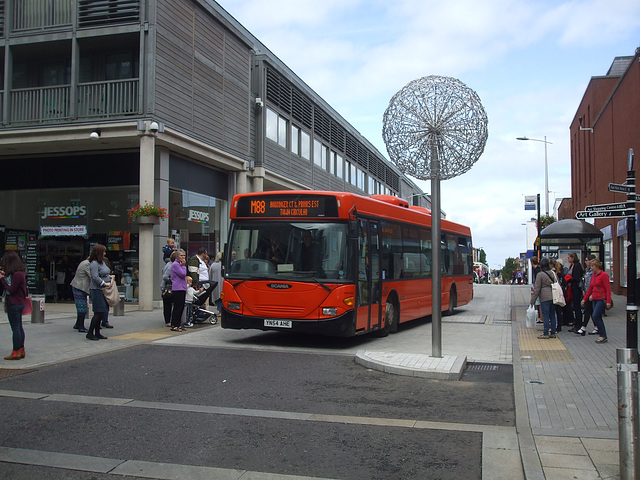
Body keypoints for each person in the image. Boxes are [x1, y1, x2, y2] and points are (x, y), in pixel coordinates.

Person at [0, 251, 28, 360]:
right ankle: (21, 349)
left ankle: (16, 351)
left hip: (14, 302)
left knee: (15, 327)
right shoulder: (20, 272)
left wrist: (2, 279)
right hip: (19, 302)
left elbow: (11, 289)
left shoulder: (16, 274)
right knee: (19, 326)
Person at [581, 259, 611, 344]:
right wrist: (585, 299)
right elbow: (590, 288)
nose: (591, 268)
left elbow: (608, 289)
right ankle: (602, 335)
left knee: (595, 316)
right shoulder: (594, 276)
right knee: (597, 317)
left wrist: (608, 301)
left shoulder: (604, 275)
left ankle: (603, 335)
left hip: (601, 298)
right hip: (594, 298)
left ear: (597, 266)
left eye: (592, 266)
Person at [87, 244, 111, 341]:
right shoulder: (94, 264)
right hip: (97, 290)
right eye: (103, 252)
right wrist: (104, 283)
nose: (105, 253)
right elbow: (95, 277)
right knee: (98, 311)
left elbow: (105, 272)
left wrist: (110, 278)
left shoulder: (102, 262)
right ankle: (90, 332)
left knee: (102, 311)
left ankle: (97, 332)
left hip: (103, 290)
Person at [530, 257, 557, 339]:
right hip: (553, 295)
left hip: (544, 297)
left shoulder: (540, 274)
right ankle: (553, 332)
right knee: (552, 315)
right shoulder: (552, 273)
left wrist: (533, 300)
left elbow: (537, 288)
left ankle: (546, 333)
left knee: (545, 315)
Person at [574, 254, 597, 335]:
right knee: (590, 311)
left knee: (588, 310)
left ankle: (584, 328)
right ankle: (596, 327)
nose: (585, 262)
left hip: (591, 294)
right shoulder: (588, 270)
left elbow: (592, 284)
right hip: (587, 292)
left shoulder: (593, 272)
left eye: (587, 260)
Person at [70, 257, 91, 333]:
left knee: (81, 306)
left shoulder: (85, 262)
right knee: (82, 307)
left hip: (79, 286)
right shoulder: (87, 264)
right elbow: (92, 276)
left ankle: (78, 324)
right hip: (79, 287)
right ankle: (81, 326)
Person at [170, 249, 188, 332]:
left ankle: (179, 324)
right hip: (178, 288)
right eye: (181, 255)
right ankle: (174, 324)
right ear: (177, 256)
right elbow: (183, 274)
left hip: (182, 287)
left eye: (184, 255)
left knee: (181, 307)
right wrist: (183, 266)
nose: (183, 257)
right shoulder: (176, 265)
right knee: (177, 307)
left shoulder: (180, 264)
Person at [566, 252, 583, 328]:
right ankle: (576, 323)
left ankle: (578, 324)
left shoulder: (577, 266)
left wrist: (569, 279)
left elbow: (576, 278)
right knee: (574, 306)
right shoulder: (571, 266)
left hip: (576, 288)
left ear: (573, 258)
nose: (568, 259)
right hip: (572, 288)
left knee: (577, 306)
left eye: (569, 257)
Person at [160, 251, 177, 327]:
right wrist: (173, 280)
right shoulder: (171, 266)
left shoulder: (168, 264)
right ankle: (168, 321)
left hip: (165, 287)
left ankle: (168, 320)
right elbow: (165, 277)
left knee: (167, 305)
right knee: (168, 305)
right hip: (168, 288)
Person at [209, 252, 223, 323]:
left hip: (215, 283)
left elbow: (210, 275)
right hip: (223, 283)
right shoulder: (224, 265)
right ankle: (222, 311)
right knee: (222, 297)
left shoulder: (213, 265)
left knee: (217, 297)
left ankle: (219, 310)